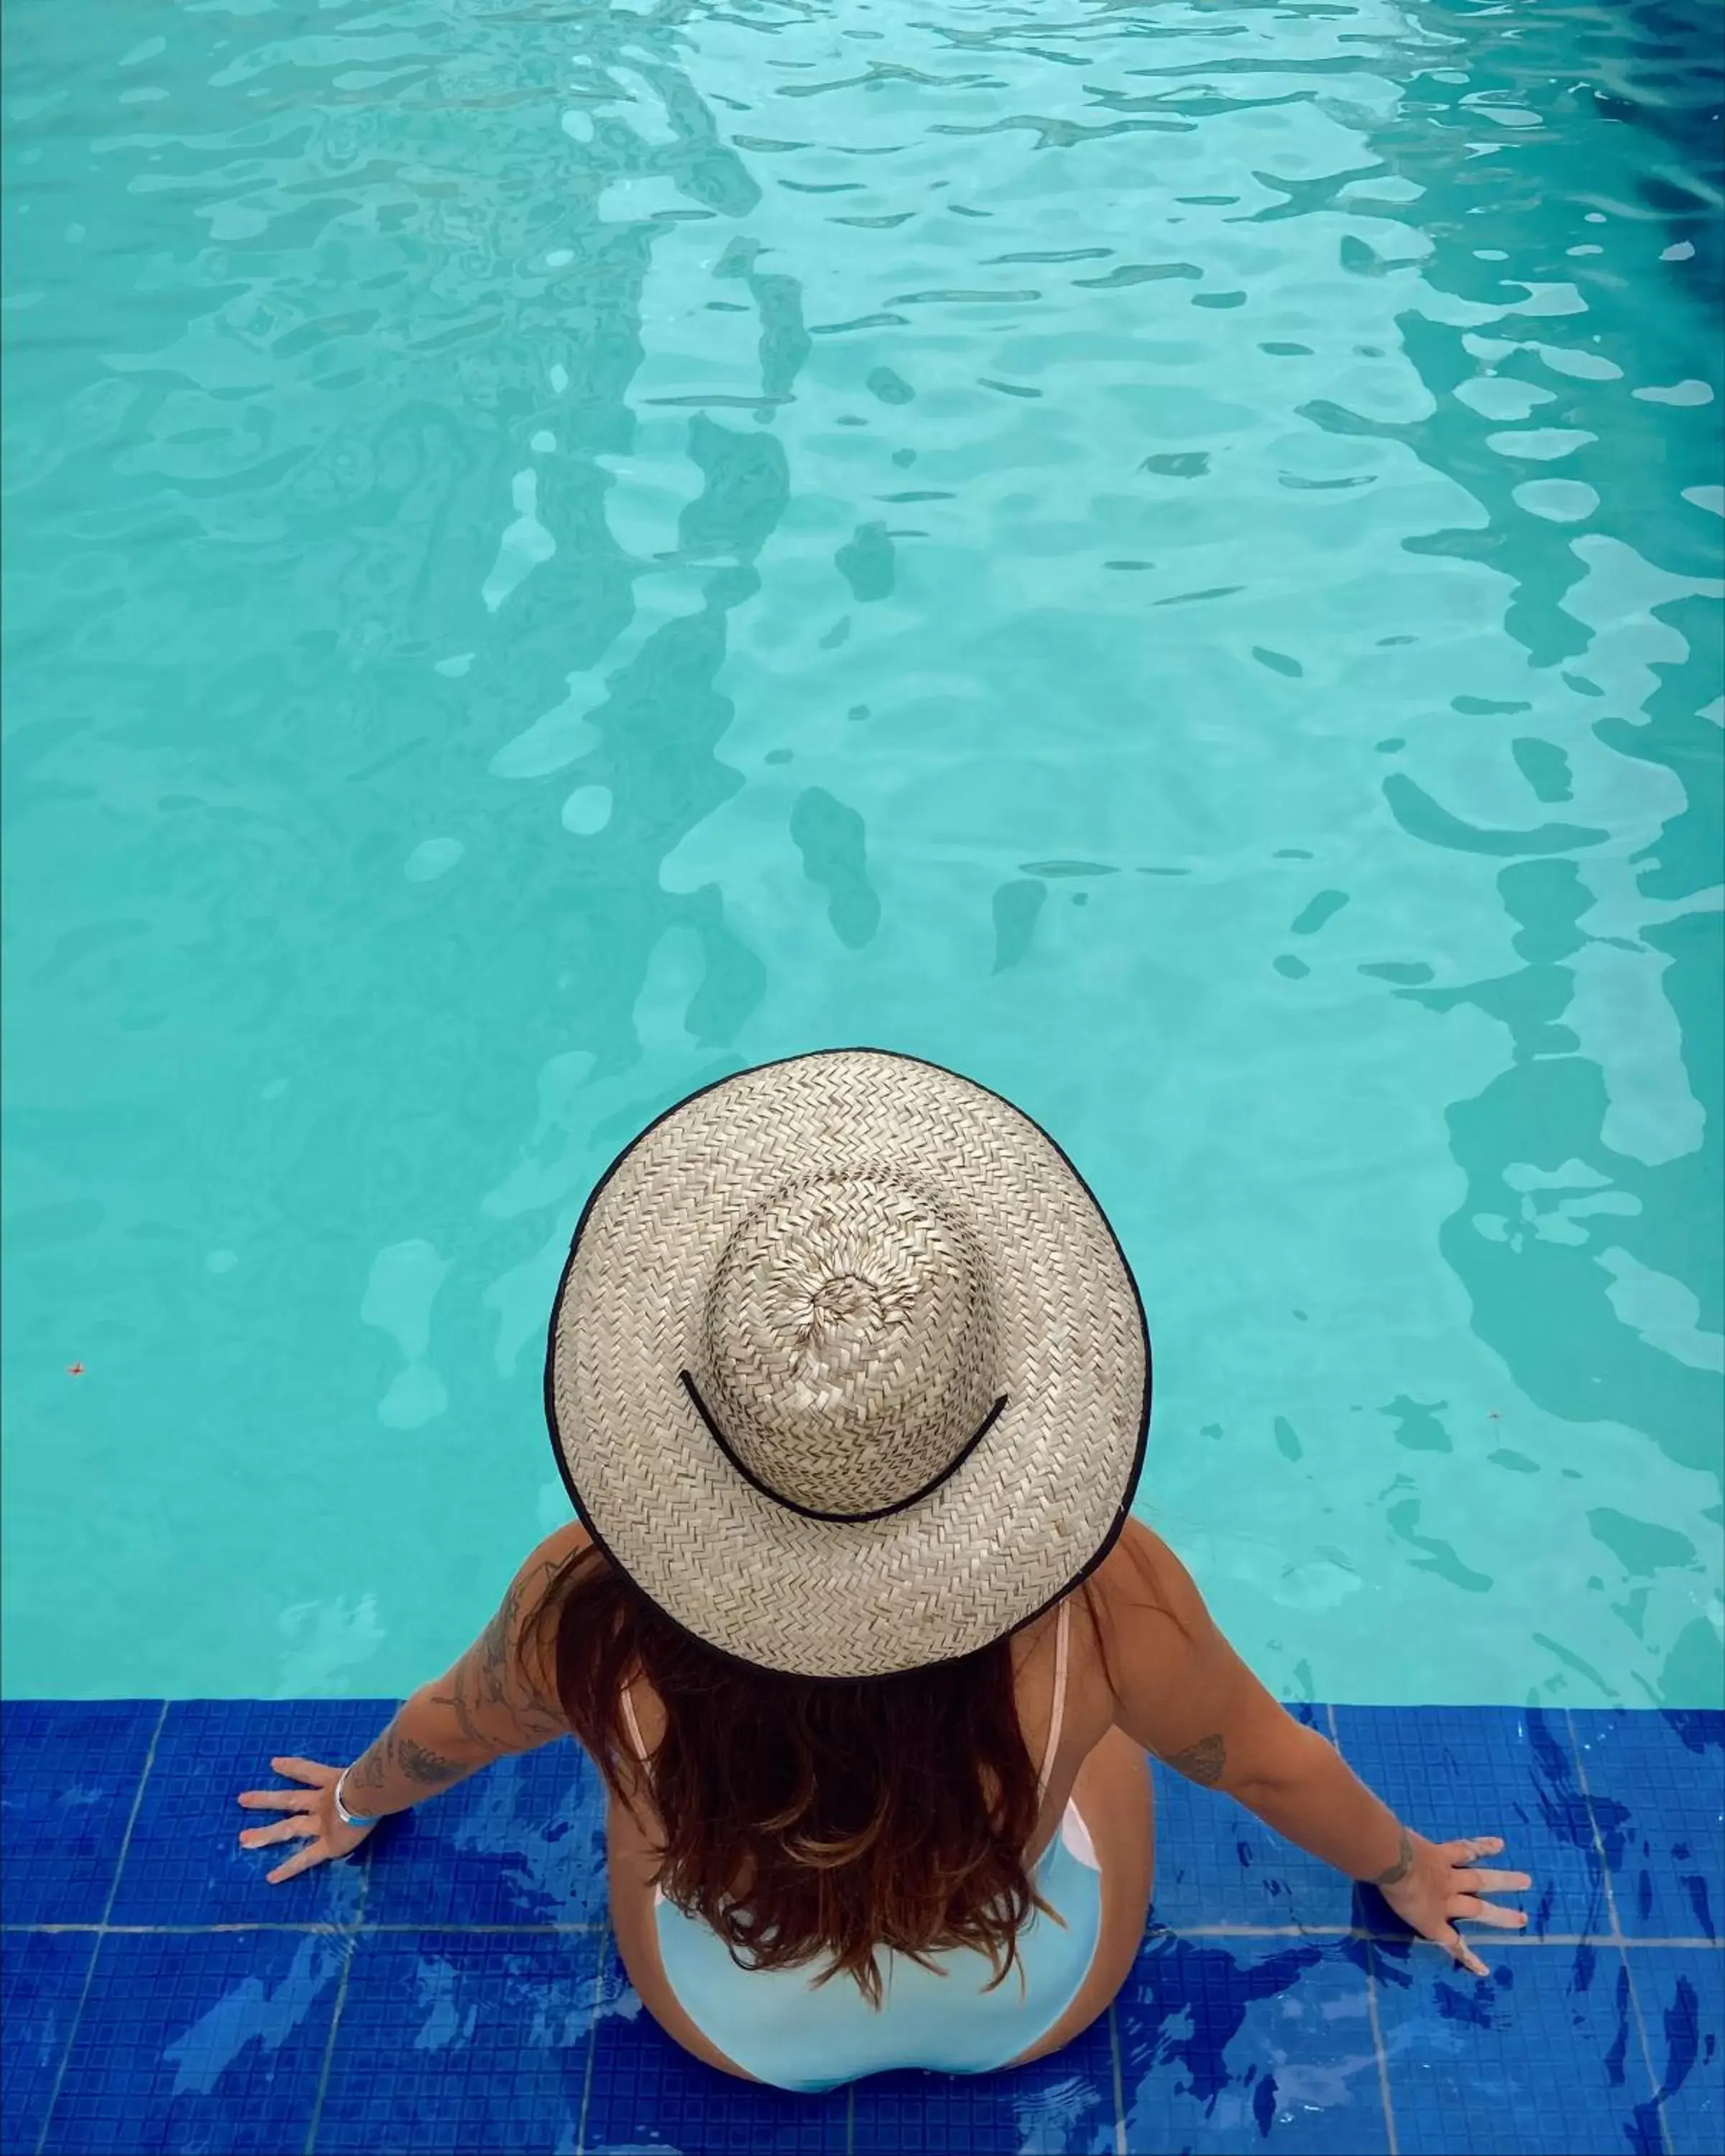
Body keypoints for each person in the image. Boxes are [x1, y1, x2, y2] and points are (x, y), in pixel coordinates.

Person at [238, 1050, 1531, 2091]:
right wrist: (1403, 1866)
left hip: (730, 2022)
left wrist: (354, 1803)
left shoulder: (590, 1597)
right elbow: (1264, 1763)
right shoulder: (1103, 1597)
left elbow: (454, 1727)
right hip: (1028, 1997)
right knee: (1132, 1727)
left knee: (636, 1762)